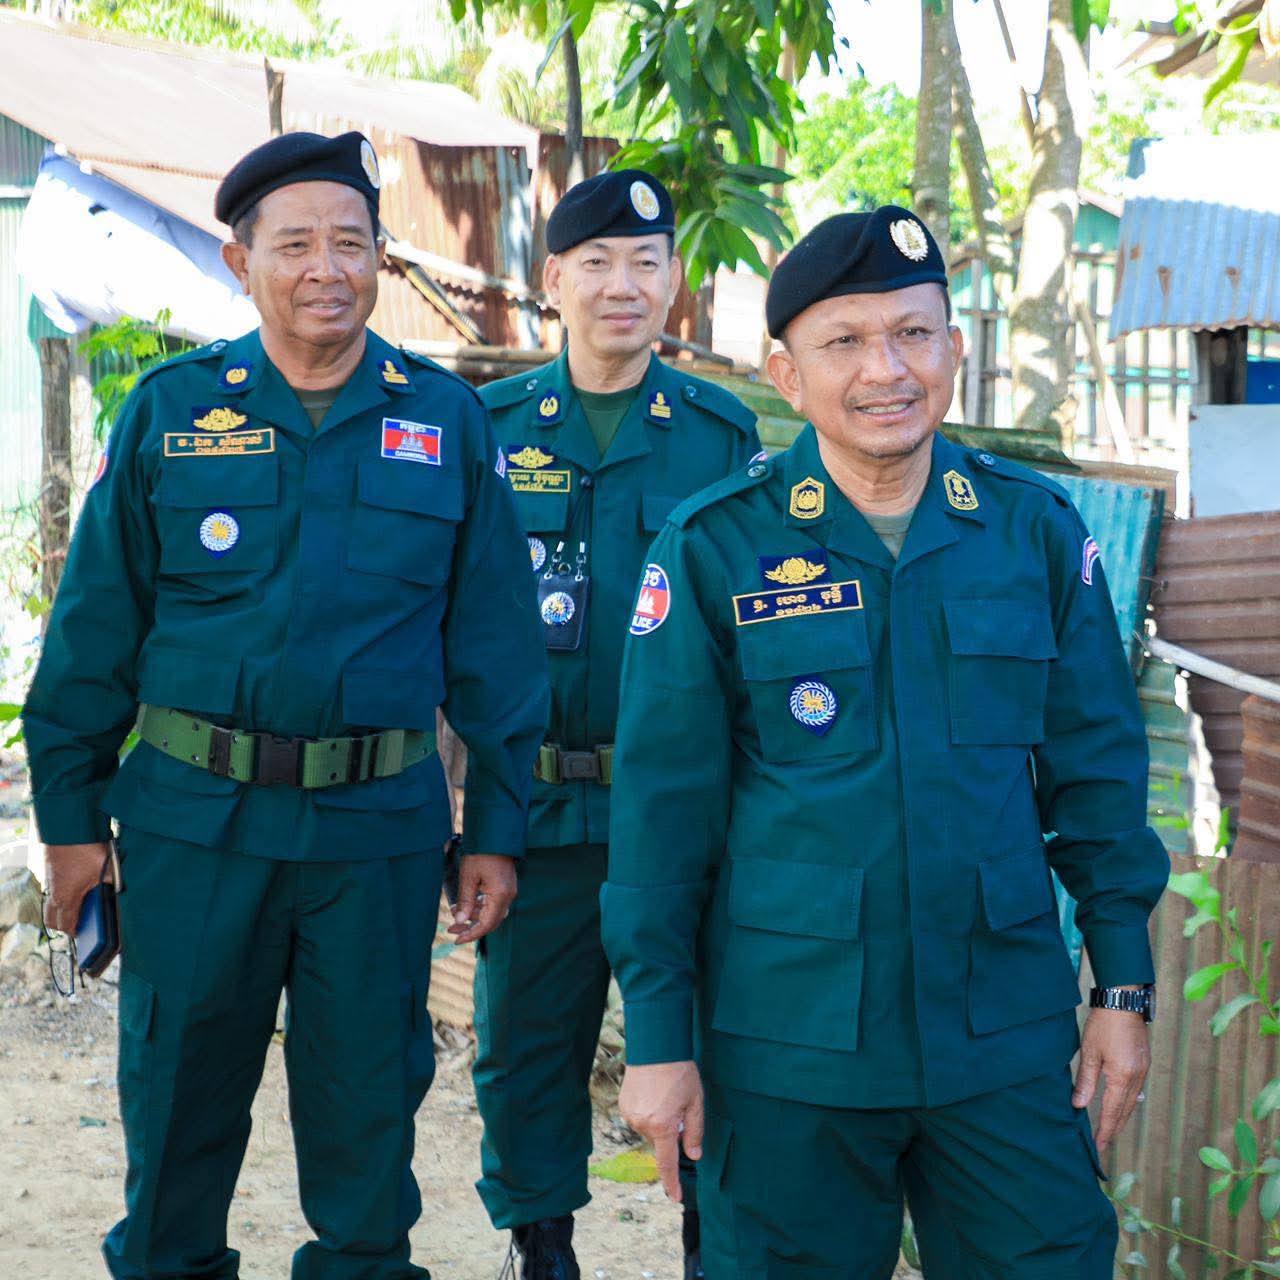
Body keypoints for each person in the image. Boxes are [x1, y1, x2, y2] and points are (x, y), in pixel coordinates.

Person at [600, 206, 1169, 1278]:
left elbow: (1097, 783)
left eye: (913, 333)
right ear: (785, 373)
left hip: (1001, 1037)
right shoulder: (716, 545)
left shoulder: (1034, 531)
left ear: (955, 346)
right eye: (845, 341)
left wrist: (1122, 992)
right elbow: (660, 822)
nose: (886, 370)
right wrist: (661, 1040)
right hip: (789, 1043)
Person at [23, 130, 548, 1280]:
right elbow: (92, 637)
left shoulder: (445, 423)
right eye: (295, 244)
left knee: (367, 1129)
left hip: (374, 836)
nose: (326, 268)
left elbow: (498, 652)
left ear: (378, 260)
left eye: (350, 243)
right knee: (176, 1112)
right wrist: (67, 820)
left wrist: (496, 831)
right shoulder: (169, 412)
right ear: (239, 260)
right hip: (193, 826)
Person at [472, 169, 763, 1279]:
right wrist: (469, 812)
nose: (622, 285)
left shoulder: (719, 435)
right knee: (524, 1044)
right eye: (596, 263)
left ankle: (707, 1245)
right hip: (538, 803)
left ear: (675, 281)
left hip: (680, 812)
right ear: (553, 280)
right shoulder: (489, 428)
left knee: (701, 1037)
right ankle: (540, 1246)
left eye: (646, 262)